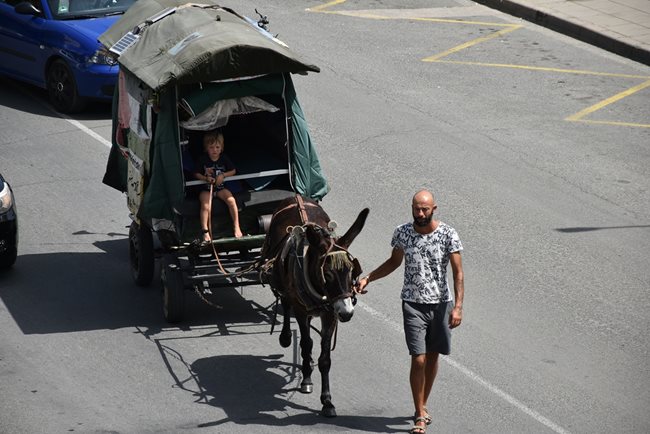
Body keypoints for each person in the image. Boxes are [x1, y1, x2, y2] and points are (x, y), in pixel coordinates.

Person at [355, 189, 464, 434]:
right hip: (412, 304)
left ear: (434, 209)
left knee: (433, 356)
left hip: (441, 304)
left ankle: (422, 404)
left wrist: (457, 307)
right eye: (417, 208)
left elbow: (458, 273)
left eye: (425, 209)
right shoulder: (403, 232)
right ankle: (419, 416)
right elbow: (394, 262)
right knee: (419, 357)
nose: (420, 213)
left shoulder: (448, 234)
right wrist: (368, 278)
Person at [193, 130, 243, 242]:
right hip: (206, 189)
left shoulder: (224, 158)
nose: (214, 150)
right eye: (211, 147)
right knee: (205, 205)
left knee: (231, 201)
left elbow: (233, 170)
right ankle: (205, 231)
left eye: (217, 147)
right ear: (206, 148)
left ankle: (236, 226)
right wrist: (205, 178)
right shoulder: (202, 159)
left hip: (220, 188)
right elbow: (196, 173)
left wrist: (223, 175)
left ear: (221, 148)